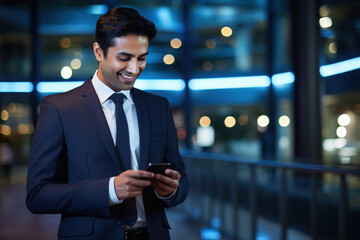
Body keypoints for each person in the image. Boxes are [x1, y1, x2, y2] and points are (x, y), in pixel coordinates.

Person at [26, 7, 189, 240]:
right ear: (99, 52)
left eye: (141, 58)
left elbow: (181, 178)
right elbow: (37, 195)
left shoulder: (158, 107)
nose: (134, 69)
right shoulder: (59, 108)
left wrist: (171, 190)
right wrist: (110, 190)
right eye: (124, 58)